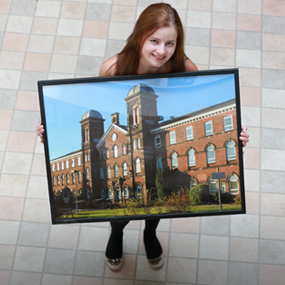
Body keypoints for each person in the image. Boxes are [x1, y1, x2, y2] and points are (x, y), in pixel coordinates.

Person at [37, 3, 249, 272]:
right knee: (120, 210)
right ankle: (117, 233)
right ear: (140, 37)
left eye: (170, 43)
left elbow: (191, 100)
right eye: (155, 41)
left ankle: (150, 233)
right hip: (130, 150)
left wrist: (236, 136)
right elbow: (94, 95)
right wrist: (49, 136)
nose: (162, 51)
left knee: (156, 201)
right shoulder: (113, 68)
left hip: (153, 152)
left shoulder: (185, 68)